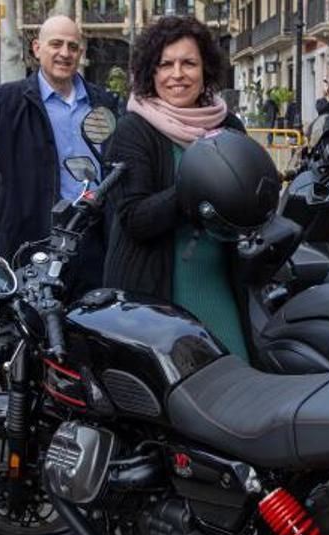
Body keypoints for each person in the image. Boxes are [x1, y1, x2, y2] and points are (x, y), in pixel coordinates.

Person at [102, 16, 249, 358]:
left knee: (235, 384)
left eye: (188, 63)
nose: (177, 74)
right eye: (165, 64)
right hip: (154, 297)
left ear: (205, 69)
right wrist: (196, 186)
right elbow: (135, 219)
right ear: (151, 72)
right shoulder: (133, 130)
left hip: (219, 284)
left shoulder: (228, 125)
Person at [0, 15, 120, 291]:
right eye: (56, 44)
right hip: (28, 244)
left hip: (92, 246)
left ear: (81, 53)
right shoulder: (5, 101)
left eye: (73, 47)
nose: (65, 53)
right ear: (37, 49)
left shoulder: (104, 102)